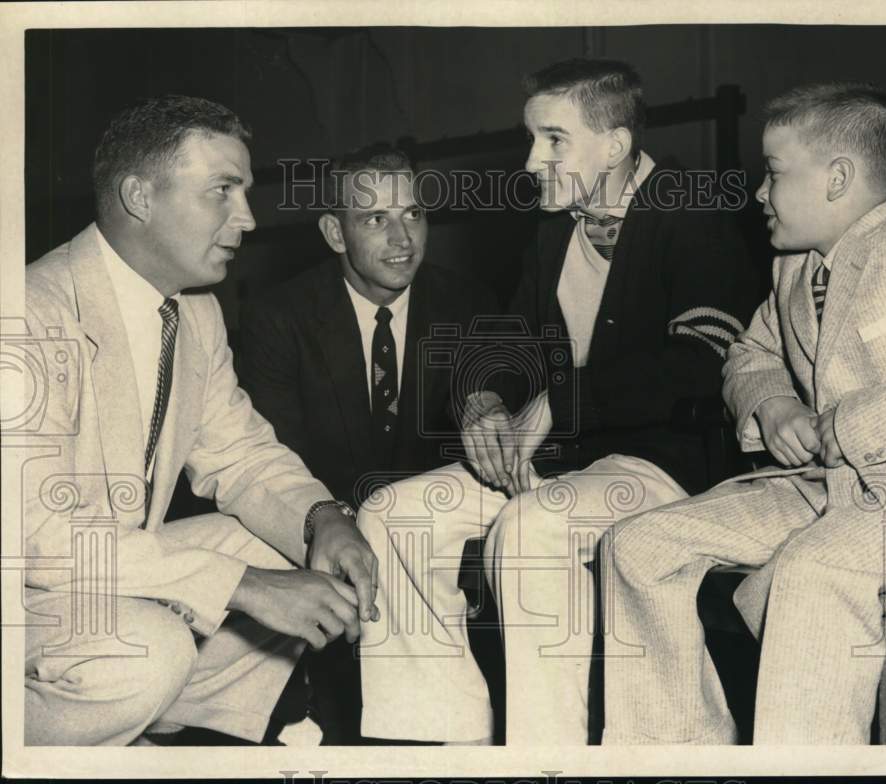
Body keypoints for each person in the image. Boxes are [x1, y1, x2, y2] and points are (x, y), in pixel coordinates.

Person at [355, 59, 758, 745]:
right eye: (532, 138)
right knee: (392, 515)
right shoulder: (552, 229)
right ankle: (445, 740)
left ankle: (547, 753)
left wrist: (559, 403)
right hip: (566, 464)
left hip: (665, 469)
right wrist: (483, 397)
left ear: (615, 144)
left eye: (553, 139)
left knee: (534, 526)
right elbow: (509, 340)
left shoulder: (693, 210)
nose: (532, 159)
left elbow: (700, 363)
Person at [600, 82, 886, 745]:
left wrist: (844, 427)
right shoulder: (792, 270)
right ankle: (679, 747)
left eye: (774, 174)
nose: (759, 194)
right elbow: (750, 353)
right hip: (829, 492)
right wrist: (773, 402)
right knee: (637, 545)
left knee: (816, 570)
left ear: (838, 178)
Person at [21, 95, 378, 746]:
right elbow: (37, 537)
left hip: (104, 576)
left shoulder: (194, 313)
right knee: (152, 645)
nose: (246, 217)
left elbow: (239, 454)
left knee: (289, 546)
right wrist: (244, 588)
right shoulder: (25, 314)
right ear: (139, 196)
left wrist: (324, 518)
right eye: (223, 190)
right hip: (22, 589)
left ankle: (157, 723)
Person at [239, 145, 497, 743]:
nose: (403, 238)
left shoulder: (469, 304)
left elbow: (485, 405)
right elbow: (275, 458)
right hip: (322, 524)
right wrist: (340, 524)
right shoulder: (279, 317)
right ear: (334, 231)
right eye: (375, 219)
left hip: (424, 549)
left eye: (413, 214)